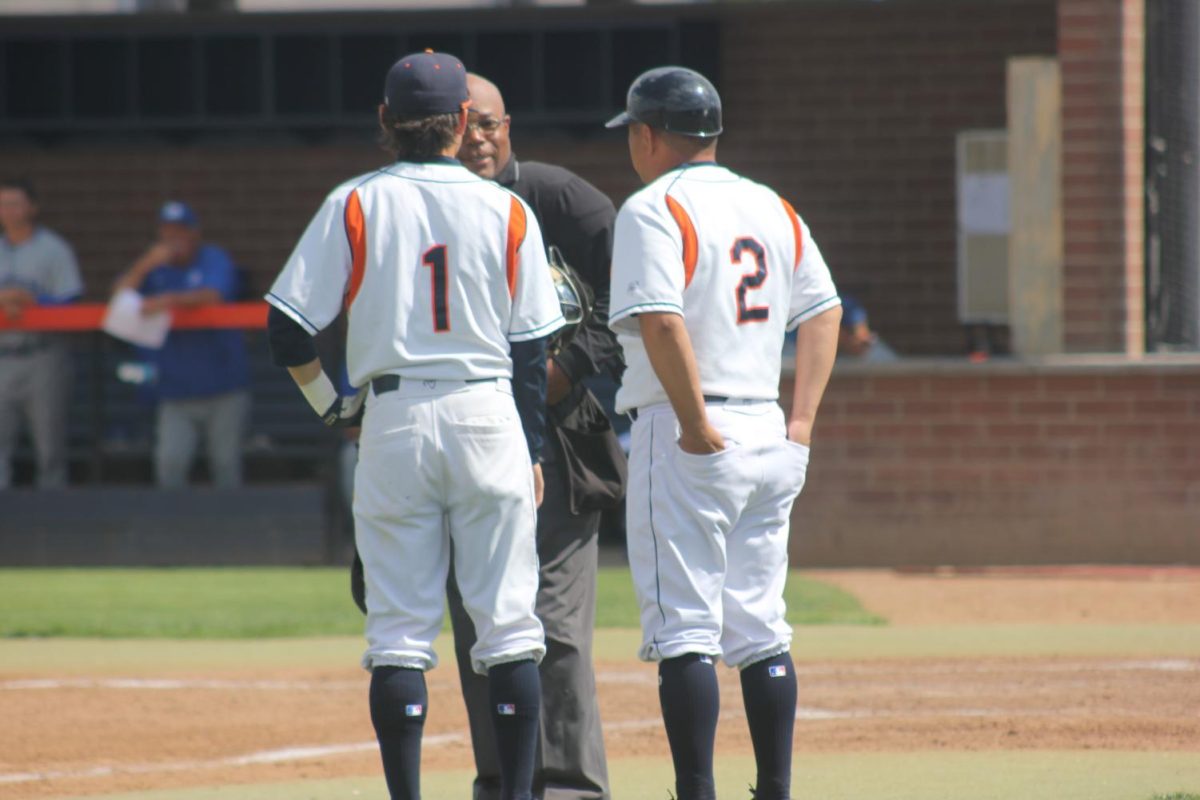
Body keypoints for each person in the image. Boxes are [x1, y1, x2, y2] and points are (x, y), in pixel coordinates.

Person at [264, 50, 564, 800]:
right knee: (508, 628)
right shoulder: (507, 207)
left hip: (392, 417)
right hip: (489, 411)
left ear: (385, 122)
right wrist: (529, 446)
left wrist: (333, 407)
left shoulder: (355, 201)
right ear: (463, 122)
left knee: (398, 632)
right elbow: (533, 348)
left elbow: (288, 328)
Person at [605, 67, 842, 800]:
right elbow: (825, 310)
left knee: (685, 632)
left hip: (691, 432)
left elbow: (660, 319)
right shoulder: (771, 204)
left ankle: (696, 793)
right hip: (769, 430)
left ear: (648, 135)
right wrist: (800, 423)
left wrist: (694, 424)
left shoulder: (652, 207)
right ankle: (775, 789)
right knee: (761, 628)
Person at [446, 72, 623, 800]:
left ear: (508, 125)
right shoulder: (426, 209)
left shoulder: (557, 198)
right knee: (478, 621)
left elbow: (636, 299)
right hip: (463, 431)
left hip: (560, 431)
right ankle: (504, 782)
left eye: (489, 124)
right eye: (464, 126)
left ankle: (572, 788)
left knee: (554, 621)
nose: (479, 139)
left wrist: (566, 369)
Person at [112, 201, 250, 488]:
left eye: (181, 232)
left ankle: (233, 530)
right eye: (167, 232)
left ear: (195, 233)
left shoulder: (213, 258)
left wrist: (166, 301)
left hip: (222, 385)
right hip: (175, 389)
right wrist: (145, 264)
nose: (174, 239)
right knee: (169, 464)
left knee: (226, 465)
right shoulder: (154, 268)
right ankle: (171, 528)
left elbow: (214, 295)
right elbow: (118, 299)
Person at [0, 177, 83, 489]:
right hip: (3, 355)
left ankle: (56, 521)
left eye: (14, 203)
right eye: (2, 203)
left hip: (43, 353)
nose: (7, 210)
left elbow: (71, 302)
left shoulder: (54, 249)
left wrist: (33, 302)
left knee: (50, 447)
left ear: (32, 208)